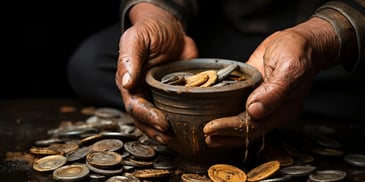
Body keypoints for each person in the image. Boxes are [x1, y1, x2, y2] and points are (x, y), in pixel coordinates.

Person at [67, 0, 364, 149]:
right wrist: (155, 16)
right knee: (92, 64)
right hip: (215, 35)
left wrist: (323, 38)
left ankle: (285, 98)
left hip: (324, 42)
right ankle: (264, 106)